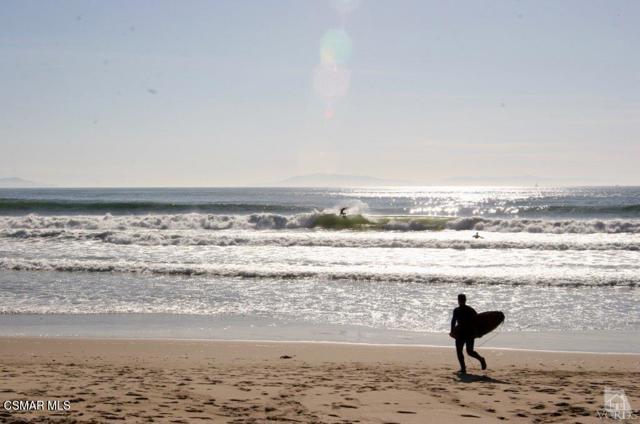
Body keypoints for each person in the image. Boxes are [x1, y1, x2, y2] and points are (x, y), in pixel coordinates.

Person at [450, 294, 486, 374]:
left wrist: (479, 332)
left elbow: (477, 320)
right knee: (459, 351)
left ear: (464, 300)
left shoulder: (469, 310)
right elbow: (453, 321)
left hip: (469, 333)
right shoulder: (457, 310)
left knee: (469, 351)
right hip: (461, 333)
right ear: (459, 300)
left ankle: (481, 359)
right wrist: (452, 331)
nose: (460, 301)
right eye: (460, 300)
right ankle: (463, 368)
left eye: (461, 300)